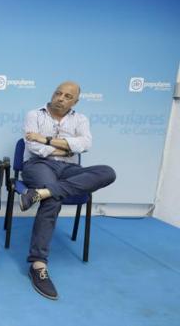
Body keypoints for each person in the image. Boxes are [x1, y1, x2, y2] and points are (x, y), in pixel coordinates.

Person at [21, 81, 116, 300]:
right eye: (58, 93)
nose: (61, 98)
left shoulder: (81, 119)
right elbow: (34, 148)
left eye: (67, 96)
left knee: (107, 172)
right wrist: (65, 148)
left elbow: (85, 144)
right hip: (38, 165)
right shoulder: (34, 115)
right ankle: (38, 264)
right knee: (53, 199)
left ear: (75, 101)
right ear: (52, 94)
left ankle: (42, 192)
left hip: (69, 169)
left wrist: (45, 139)